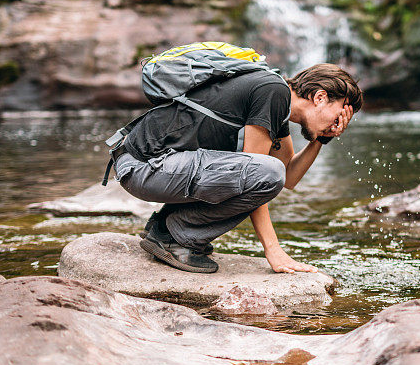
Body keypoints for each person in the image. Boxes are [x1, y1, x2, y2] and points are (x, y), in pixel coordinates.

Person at [110, 60, 363, 274]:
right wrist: (273, 251)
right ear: (320, 97)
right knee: (265, 173)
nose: (339, 122)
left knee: (269, 172)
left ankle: (164, 227)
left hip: (148, 165)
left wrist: (322, 138)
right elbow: (259, 175)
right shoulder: (272, 92)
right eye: (339, 113)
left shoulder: (278, 101)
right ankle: (173, 236)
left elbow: (289, 178)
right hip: (144, 166)